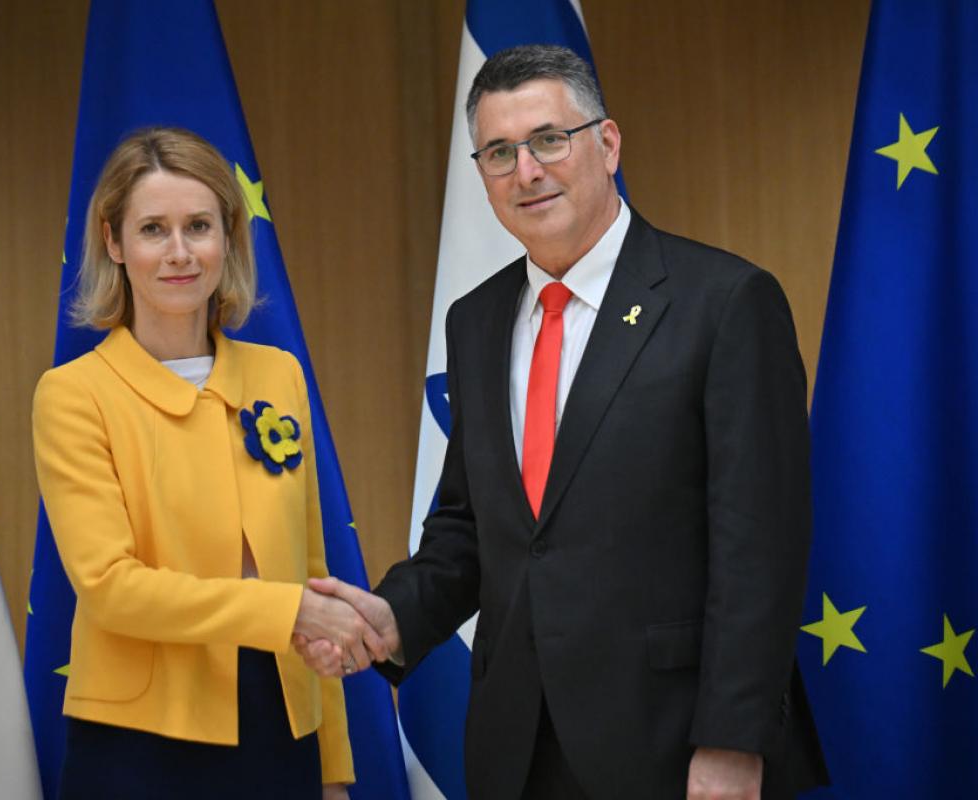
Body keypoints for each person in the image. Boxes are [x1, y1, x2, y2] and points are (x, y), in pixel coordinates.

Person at [298, 45, 829, 799]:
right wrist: (392, 617)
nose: (527, 171)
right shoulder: (476, 321)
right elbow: (473, 529)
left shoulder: (725, 303)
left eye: (549, 140)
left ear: (607, 145)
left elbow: (760, 550)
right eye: (499, 152)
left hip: (674, 744)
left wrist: (732, 741)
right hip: (516, 747)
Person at [32, 127, 387, 799]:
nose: (179, 253)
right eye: (152, 229)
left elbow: (312, 573)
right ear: (113, 242)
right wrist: (287, 610)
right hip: (138, 743)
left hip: (282, 726)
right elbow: (111, 588)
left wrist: (333, 768)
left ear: (228, 238)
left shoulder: (278, 374)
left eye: (198, 226)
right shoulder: (73, 395)